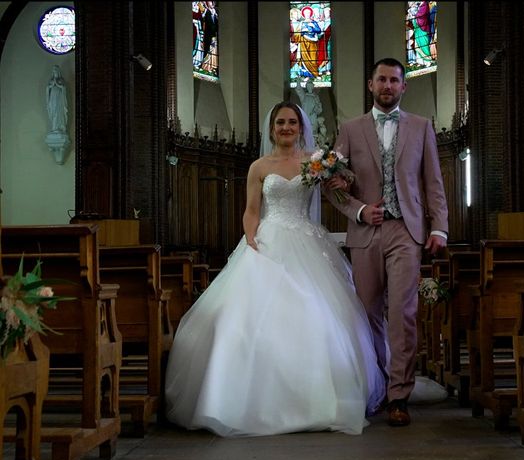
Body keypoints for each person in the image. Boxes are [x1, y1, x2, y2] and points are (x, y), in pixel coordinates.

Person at [164, 101, 386, 437]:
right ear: (271, 128)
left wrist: (350, 189)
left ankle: (320, 399)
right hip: (268, 240)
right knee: (241, 318)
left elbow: (339, 193)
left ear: (301, 127)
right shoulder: (258, 167)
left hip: (307, 242)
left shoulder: (316, 163)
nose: (286, 128)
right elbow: (252, 210)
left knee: (318, 314)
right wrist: (250, 236)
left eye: (292, 122)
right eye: (280, 122)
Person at [326, 57, 449, 427]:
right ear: (370, 84)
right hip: (365, 232)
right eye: (381, 79)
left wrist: (439, 227)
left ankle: (399, 395)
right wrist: (360, 211)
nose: (388, 86)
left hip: (406, 231)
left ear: (403, 87)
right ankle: (378, 385)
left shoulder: (422, 127)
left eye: (395, 80)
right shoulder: (350, 129)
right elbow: (328, 183)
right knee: (367, 314)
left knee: (402, 314)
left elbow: (433, 182)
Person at [46, 65, 68, 134]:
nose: (55, 72)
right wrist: (51, 85)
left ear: (58, 72)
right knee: (54, 111)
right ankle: (54, 127)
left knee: (59, 112)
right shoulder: (51, 81)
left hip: (59, 99)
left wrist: (58, 84)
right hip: (53, 99)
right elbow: (48, 89)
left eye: (56, 70)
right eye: (54, 71)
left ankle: (59, 127)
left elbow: (63, 88)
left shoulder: (61, 80)